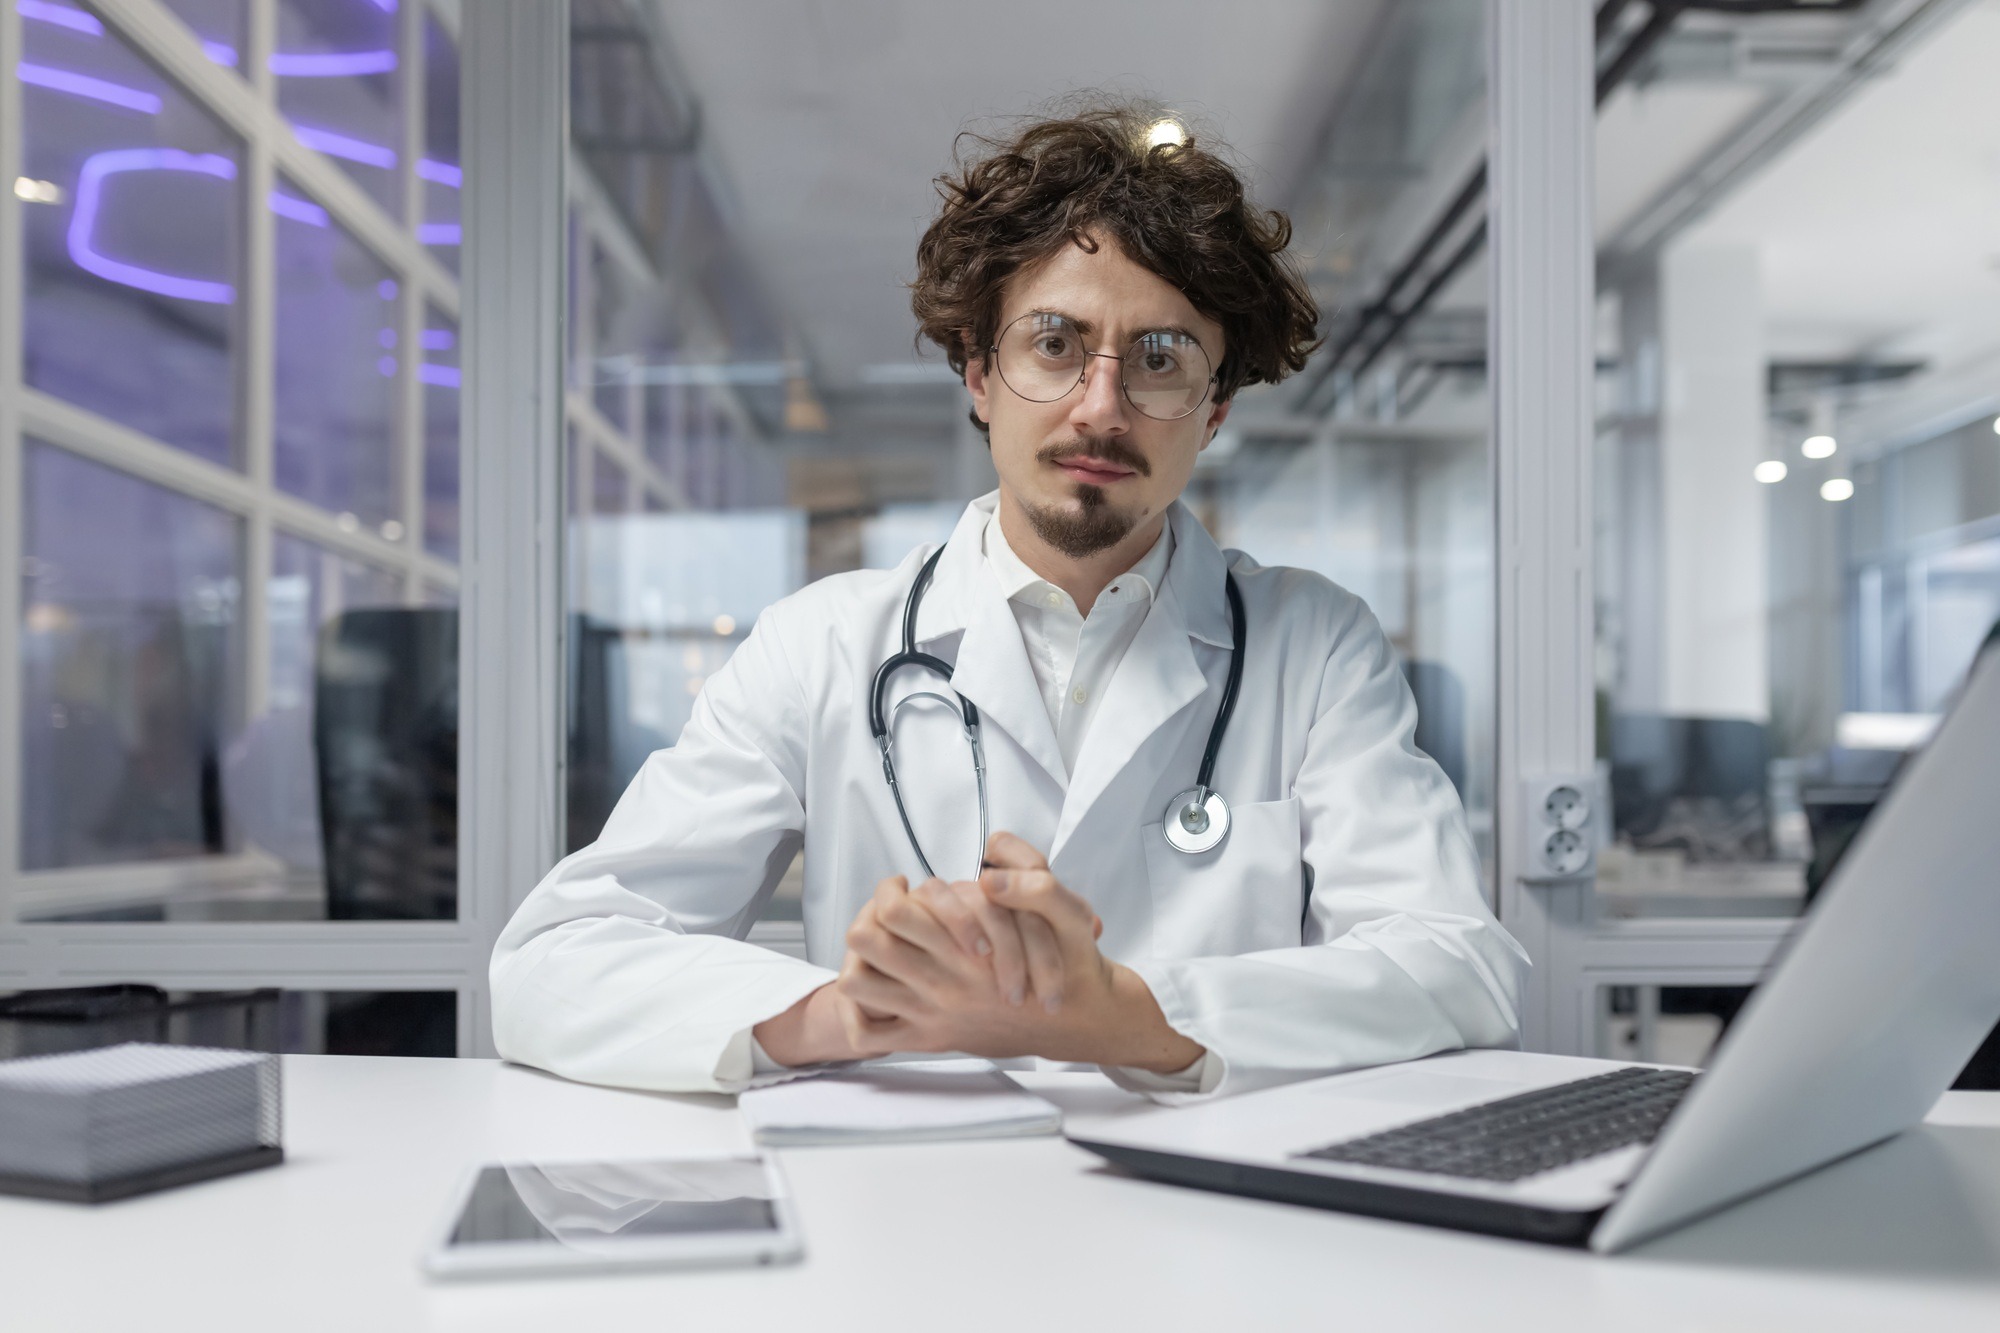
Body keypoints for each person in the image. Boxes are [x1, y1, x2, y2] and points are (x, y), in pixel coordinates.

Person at [491, 103, 1527, 1100]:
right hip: (910, 1212)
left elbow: (1458, 963)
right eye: (1053, 344)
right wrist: (851, 1014)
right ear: (979, 374)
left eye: (1159, 360)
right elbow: (554, 963)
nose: (1099, 406)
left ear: (1212, 411)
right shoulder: (819, 646)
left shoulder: (1313, 645)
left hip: (1209, 1229)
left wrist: (1134, 1017)